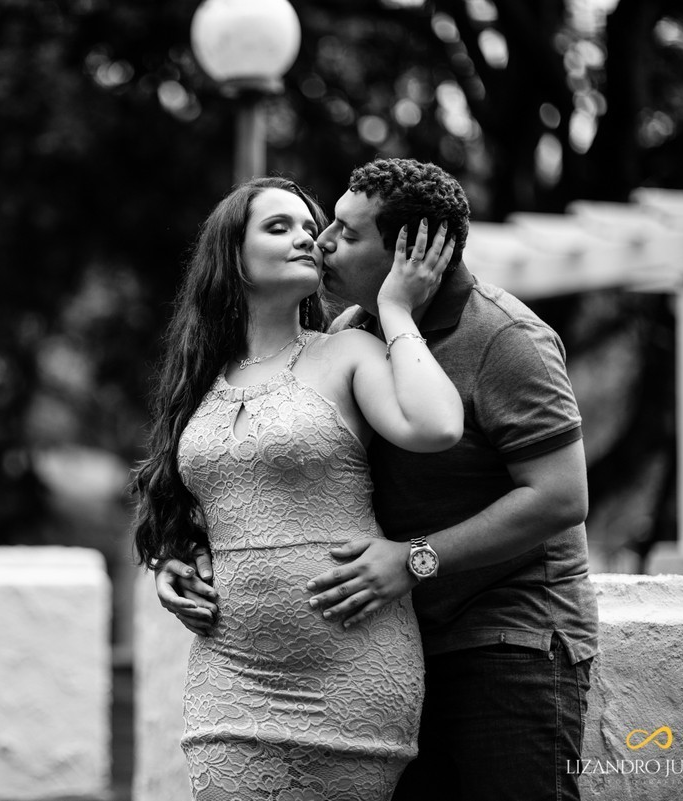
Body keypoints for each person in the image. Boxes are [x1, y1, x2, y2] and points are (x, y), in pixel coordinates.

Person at [155, 159, 599, 801]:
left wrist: (414, 560)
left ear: (414, 251)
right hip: (392, 622)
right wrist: (189, 555)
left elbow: (562, 497)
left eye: (344, 231)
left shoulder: (509, 340)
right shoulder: (351, 330)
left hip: (507, 637)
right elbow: (278, 477)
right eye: (319, 224)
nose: (323, 241)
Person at [132, 175, 463, 801]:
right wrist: (169, 563)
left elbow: (437, 425)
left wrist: (396, 310)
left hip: (354, 666)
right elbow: (188, 501)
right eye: (278, 227)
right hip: (229, 671)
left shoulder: (350, 352)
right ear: (233, 256)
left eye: (309, 229)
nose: (307, 238)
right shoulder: (198, 377)